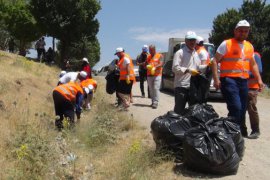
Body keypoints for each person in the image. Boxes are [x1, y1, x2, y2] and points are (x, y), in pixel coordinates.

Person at [211, 20, 264, 137]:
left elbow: (253, 64)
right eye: (240, 31)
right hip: (229, 80)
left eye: (246, 31)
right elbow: (215, 61)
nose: (243, 33)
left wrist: (259, 80)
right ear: (235, 31)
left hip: (243, 81)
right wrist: (216, 79)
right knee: (236, 107)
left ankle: (237, 130)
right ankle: (234, 132)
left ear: (248, 32)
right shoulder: (227, 44)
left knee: (242, 108)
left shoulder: (249, 46)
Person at [172, 31, 201, 114]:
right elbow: (175, 68)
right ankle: (176, 126)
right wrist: (187, 70)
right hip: (181, 86)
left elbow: (197, 67)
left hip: (193, 86)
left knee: (193, 111)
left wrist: (207, 66)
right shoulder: (180, 53)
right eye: (190, 40)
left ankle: (189, 126)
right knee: (179, 110)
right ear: (186, 41)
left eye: (194, 40)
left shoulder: (195, 53)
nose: (192, 42)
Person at [246, 51, 263, 139]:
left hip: (252, 87)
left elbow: (258, 70)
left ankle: (255, 130)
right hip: (241, 87)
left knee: (251, 108)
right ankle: (242, 130)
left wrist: (243, 73)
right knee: (240, 109)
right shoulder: (240, 55)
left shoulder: (255, 55)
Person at [146, 45, 163, 109]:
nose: (150, 52)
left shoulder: (159, 55)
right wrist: (147, 66)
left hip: (157, 75)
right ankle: (153, 101)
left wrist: (155, 67)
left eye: (151, 50)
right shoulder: (148, 57)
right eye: (149, 50)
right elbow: (146, 64)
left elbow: (161, 63)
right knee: (151, 89)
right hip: (149, 75)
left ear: (154, 49)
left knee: (156, 88)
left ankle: (156, 102)